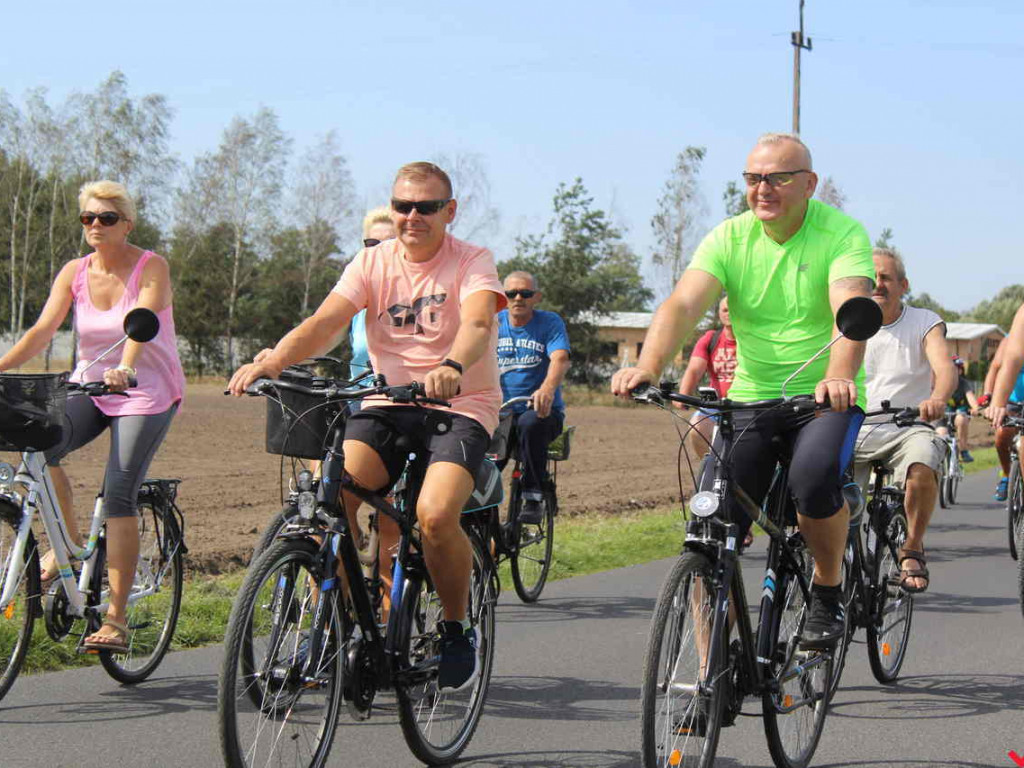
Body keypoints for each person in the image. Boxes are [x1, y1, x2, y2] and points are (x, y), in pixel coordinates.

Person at [229, 162, 506, 692]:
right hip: (384, 404)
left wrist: (451, 365)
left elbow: (477, 322)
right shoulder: (372, 261)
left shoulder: (472, 260)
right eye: (403, 205)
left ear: (449, 211)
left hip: (459, 405)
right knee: (329, 502)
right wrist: (275, 361)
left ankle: (455, 627)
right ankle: (336, 628)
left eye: (426, 207)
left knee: (433, 516)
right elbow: (326, 322)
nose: (412, 216)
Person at [612, 132, 874, 649]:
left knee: (812, 478)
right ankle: (708, 669)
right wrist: (647, 365)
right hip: (751, 398)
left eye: (778, 178)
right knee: (711, 525)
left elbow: (850, 306)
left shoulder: (841, 233)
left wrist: (839, 374)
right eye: (753, 178)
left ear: (809, 184)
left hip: (823, 398)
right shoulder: (729, 237)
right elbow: (683, 305)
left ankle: (827, 591)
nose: (763, 188)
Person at [0, 180, 185, 653]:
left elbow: (142, 323)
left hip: (145, 390)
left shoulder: (152, 266)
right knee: (39, 442)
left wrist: (127, 366)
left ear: (127, 224)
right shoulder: (75, 272)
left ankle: (116, 618)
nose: (95, 226)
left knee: (119, 493)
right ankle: (67, 544)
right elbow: (43, 329)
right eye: (88, 218)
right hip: (90, 385)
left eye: (106, 218)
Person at [852, 248, 955, 593]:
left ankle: (911, 548)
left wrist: (938, 397)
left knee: (923, 461)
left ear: (903, 285)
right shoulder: (849, 320)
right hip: (856, 426)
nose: (877, 284)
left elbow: (944, 367)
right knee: (820, 481)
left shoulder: (925, 321)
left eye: (885, 277)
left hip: (907, 425)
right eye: (871, 278)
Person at [496, 271, 570, 523]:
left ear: (536, 297)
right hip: (500, 412)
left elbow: (560, 358)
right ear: (503, 297)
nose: (518, 298)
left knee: (530, 424)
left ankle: (534, 496)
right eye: (511, 293)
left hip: (540, 411)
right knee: (484, 463)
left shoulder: (549, 322)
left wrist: (547, 389)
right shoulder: (492, 323)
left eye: (525, 293)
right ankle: (480, 515)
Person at [675, 296, 736, 459]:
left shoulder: (752, 340)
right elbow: (695, 369)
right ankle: (710, 467)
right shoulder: (710, 339)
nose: (729, 313)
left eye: (733, 309)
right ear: (719, 313)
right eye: (725, 310)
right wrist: (684, 393)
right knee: (697, 429)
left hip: (746, 403)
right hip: (717, 403)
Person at [349, 207, 397, 383]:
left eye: (391, 243)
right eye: (373, 244)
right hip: (359, 395)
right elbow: (321, 333)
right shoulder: (353, 299)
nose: (381, 251)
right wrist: (279, 358)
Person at [980, 336, 1024, 500]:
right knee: (1001, 435)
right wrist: (988, 395)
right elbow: (995, 367)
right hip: (1011, 401)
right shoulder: (1011, 340)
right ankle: (1006, 474)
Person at [988, 303, 1024, 467]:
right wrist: (996, 402)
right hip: (1015, 399)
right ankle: (1006, 472)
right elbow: (1010, 362)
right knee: (1002, 435)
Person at [940, 357, 980, 462]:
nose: (953, 371)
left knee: (961, 419)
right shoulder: (941, 383)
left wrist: (975, 408)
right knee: (941, 434)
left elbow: (970, 396)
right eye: (951, 369)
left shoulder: (964, 383)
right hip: (943, 414)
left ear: (960, 371)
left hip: (959, 413)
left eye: (957, 369)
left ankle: (963, 450)